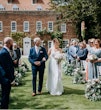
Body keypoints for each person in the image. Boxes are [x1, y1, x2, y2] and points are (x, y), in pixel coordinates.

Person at [0, 37, 15, 109]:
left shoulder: (5, 51)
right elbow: (7, 68)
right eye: (12, 43)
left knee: (6, 95)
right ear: (9, 43)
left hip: (5, 77)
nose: (13, 44)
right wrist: (12, 79)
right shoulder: (4, 53)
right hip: (5, 77)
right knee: (5, 95)